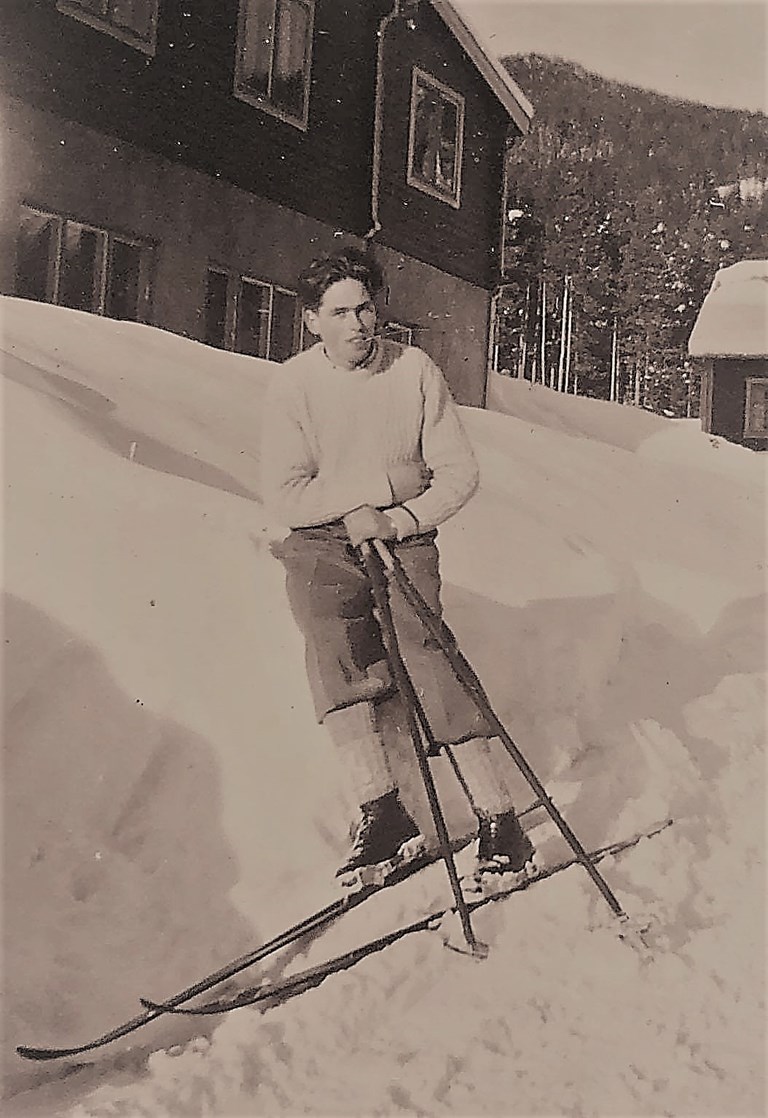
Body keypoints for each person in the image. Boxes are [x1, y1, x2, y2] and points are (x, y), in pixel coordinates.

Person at [260, 246, 534, 886]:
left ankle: (500, 819)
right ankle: (381, 812)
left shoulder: (413, 369)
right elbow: (285, 492)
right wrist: (354, 508)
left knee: (428, 656)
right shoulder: (293, 386)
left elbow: (459, 472)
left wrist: (396, 520)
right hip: (324, 542)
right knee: (335, 654)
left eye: (366, 308)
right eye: (341, 312)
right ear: (311, 321)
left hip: (403, 537)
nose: (358, 324)